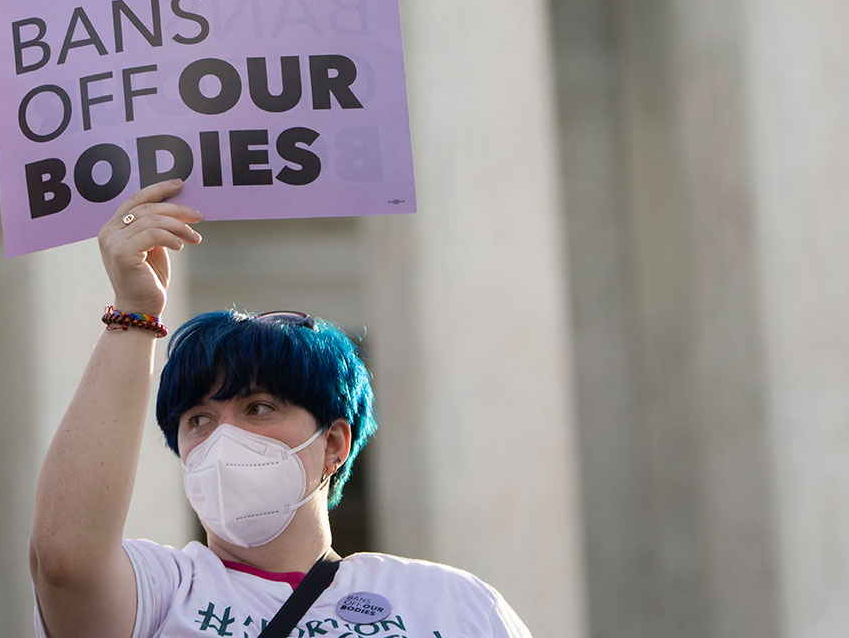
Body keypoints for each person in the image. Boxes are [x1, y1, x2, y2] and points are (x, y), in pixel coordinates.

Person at [29, 178, 531, 638]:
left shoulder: (453, 606)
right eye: (198, 419)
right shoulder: (158, 594)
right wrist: (135, 313)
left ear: (334, 443)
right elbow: (64, 561)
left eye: (259, 408)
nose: (222, 435)